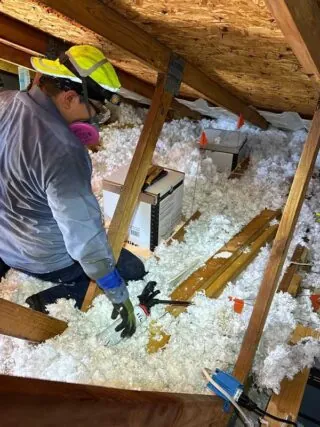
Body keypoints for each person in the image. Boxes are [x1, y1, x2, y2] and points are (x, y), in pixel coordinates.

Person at [0, 45, 145, 338]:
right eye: (92, 111)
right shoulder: (64, 152)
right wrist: (117, 293)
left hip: (4, 241)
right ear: (68, 98)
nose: (92, 121)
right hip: (43, 256)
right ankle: (48, 300)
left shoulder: (4, 101)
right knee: (132, 267)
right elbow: (84, 237)